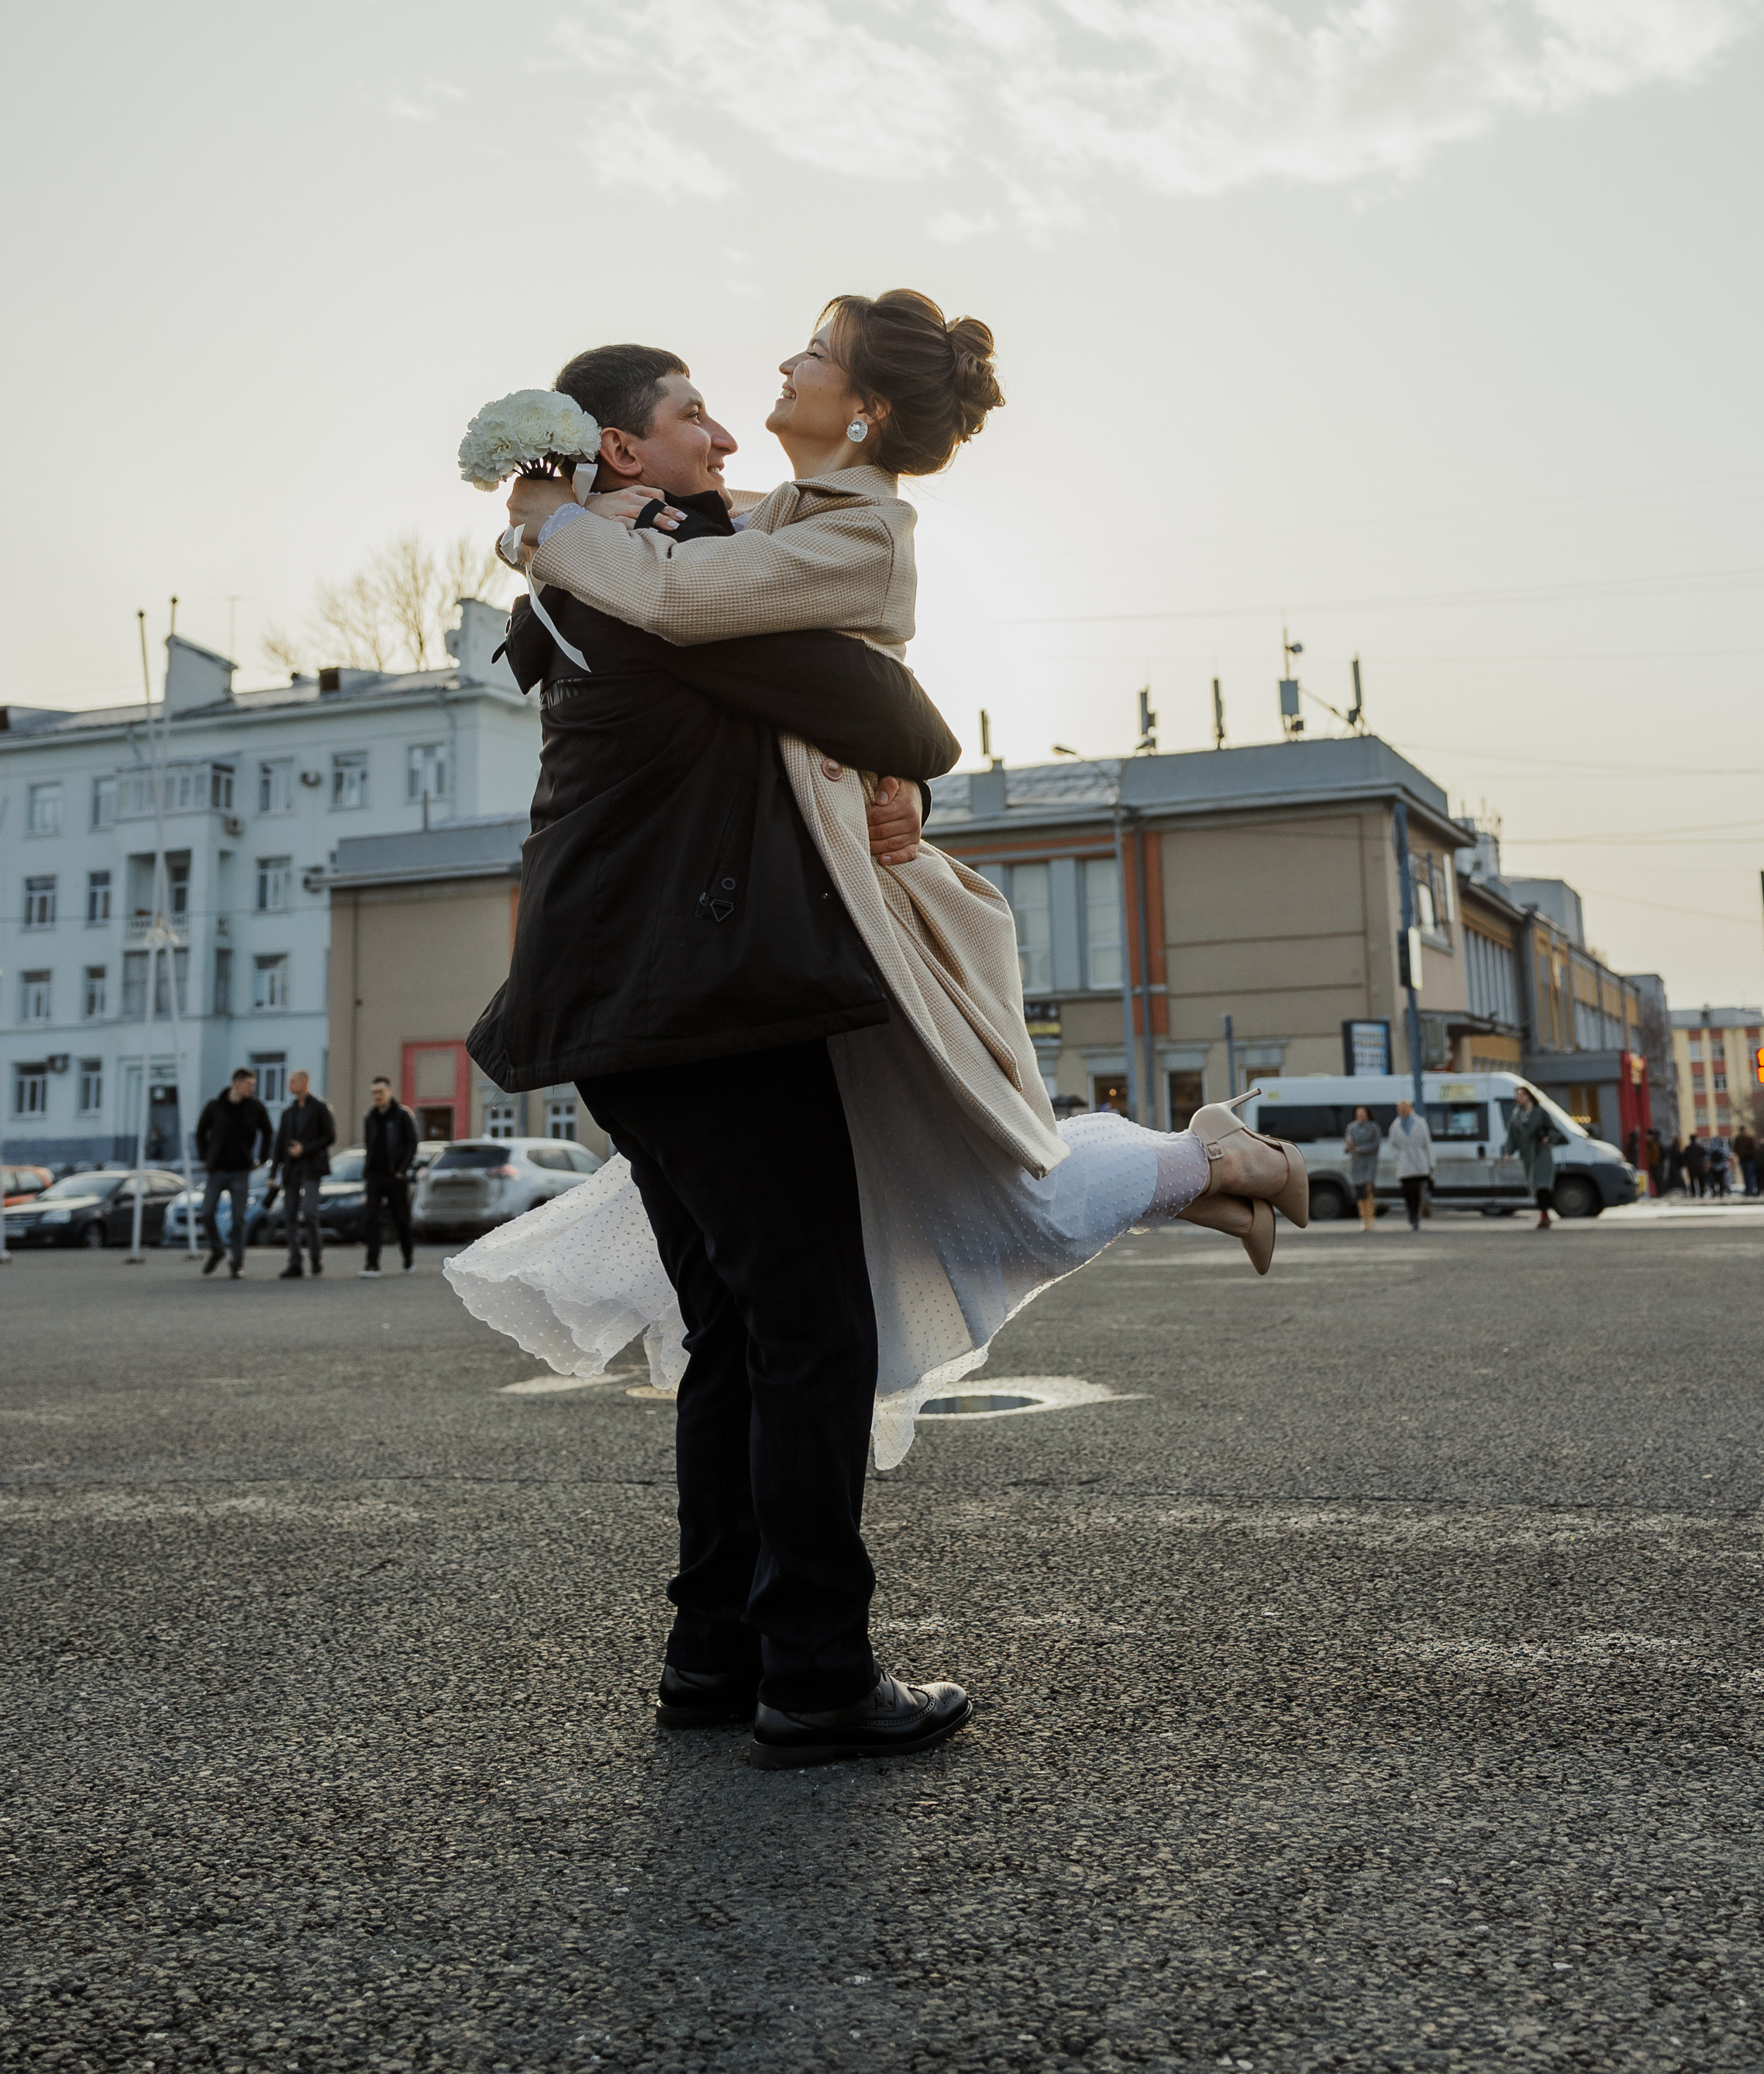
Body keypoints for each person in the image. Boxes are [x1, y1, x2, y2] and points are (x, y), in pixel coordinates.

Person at [453, 300, 1305, 1769]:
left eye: (803, 355)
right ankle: (814, 1673)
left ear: (860, 412)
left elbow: (843, 702)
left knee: (738, 1328)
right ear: (619, 449)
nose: (742, 407)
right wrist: (559, 521)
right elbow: (880, 703)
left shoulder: (700, 550)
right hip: (706, 997)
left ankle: (715, 1657)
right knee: (807, 1326)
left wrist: (556, 521)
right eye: (695, 409)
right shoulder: (666, 565)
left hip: (630, 1000)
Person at [195, 1068, 274, 1277]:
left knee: (239, 1219)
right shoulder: (215, 1107)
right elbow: (201, 1131)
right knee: (206, 1213)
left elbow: (268, 1131)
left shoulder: (255, 1108)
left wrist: (262, 1158)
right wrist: (205, 1157)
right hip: (217, 1170)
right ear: (236, 1084)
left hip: (241, 1171)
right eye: (249, 1085)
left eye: (253, 1085)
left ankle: (237, 1262)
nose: (252, 1089)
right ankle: (217, 1250)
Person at [272, 1071, 335, 1276]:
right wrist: (273, 1173)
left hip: (312, 1168)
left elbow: (330, 1136)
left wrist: (305, 1149)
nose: (289, 1085)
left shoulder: (320, 1108)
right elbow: (279, 1143)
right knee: (289, 1215)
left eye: (293, 1081)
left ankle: (316, 1257)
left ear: (304, 1082)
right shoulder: (288, 1112)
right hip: (291, 1170)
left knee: (309, 1212)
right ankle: (295, 1262)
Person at [361, 1077, 419, 1277]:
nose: (377, 1096)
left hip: (395, 1176)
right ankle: (372, 1264)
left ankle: (408, 1258)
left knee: (401, 1219)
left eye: (380, 1092)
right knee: (371, 1219)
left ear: (390, 1092)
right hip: (374, 1176)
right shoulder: (370, 1117)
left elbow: (412, 1144)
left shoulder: (402, 1115)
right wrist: (367, 1173)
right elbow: (369, 1147)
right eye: (374, 1093)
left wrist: (402, 1170)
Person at [1504, 1083, 1563, 1229]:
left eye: (1522, 1094)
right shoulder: (1516, 1115)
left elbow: (1554, 1130)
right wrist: (1508, 1152)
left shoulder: (1540, 1112)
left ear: (1529, 1096)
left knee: (1543, 1184)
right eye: (1517, 1095)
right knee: (1534, 1185)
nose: (1519, 1097)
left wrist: (1548, 1138)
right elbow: (1512, 1135)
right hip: (1528, 1155)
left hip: (1542, 1153)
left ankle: (1545, 1215)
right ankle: (1544, 1213)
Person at [1387, 1097, 1434, 1230]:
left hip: (1419, 1161)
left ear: (1410, 1108)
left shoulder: (1420, 1122)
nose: (1402, 1111)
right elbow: (1392, 1144)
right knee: (1407, 1192)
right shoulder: (1395, 1125)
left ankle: (1416, 1215)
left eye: (1404, 1108)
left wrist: (1431, 1163)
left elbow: (1427, 1143)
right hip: (1404, 1163)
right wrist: (1397, 1156)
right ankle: (1411, 1213)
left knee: (1416, 1191)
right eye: (1400, 1109)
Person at [1343, 1104, 1380, 1230]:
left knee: (1368, 1190)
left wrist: (1360, 1149)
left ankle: (1370, 1217)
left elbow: (1376, 1145)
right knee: (1359, 1193)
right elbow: (1347, 1144)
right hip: (1356, 1164)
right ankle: (1363, 1218)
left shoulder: (1373, 1127)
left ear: (1367, 1115)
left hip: (1369, 1163)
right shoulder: (1351, 1127)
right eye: (1358, 1114)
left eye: (1362, 1114)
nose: (1360, 1116)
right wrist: (1349, 1147)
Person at [1732, 1126, 1759, 1199]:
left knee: (1748, 1175)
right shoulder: (1742, 1139)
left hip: (1747, 1159)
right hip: (1746, 1159)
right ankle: (1749, 1190)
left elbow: (1753, 1149)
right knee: (1748, 1175)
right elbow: (1754, 1149)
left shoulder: (1745, 1139)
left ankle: (1749, 1190)